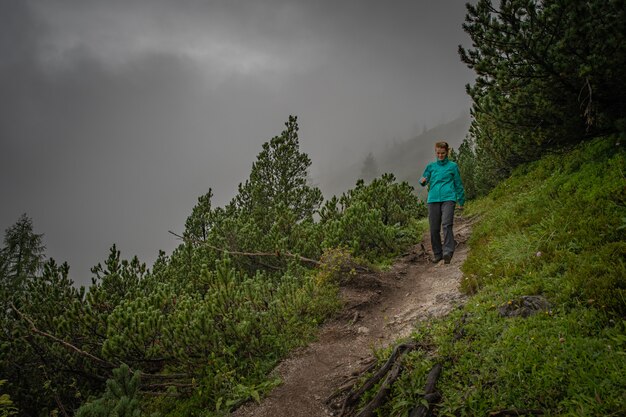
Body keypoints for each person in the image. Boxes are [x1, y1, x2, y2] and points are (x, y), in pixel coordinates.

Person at [419, 141, 465, 264]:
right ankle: (438, 254)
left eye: (443, 153)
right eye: (438, 153)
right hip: (433, 199)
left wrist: (461, 199)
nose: (440, 155)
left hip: (448, 198)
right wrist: (422, 181)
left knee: (446, 224)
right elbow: (424, 179)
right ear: (435, 152)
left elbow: (458, 184)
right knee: (434, 229)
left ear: (447, 152)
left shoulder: (453, 166)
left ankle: (448, 252)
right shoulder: (431, 167)